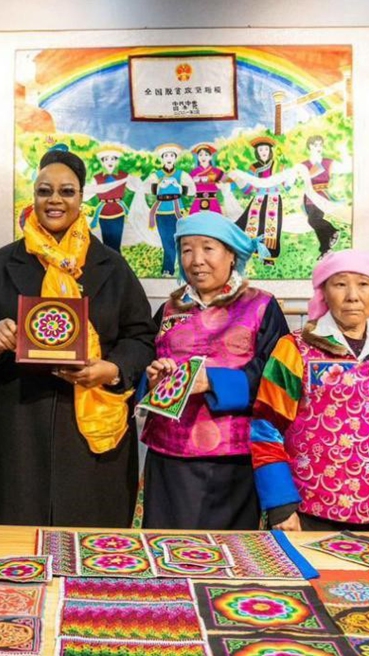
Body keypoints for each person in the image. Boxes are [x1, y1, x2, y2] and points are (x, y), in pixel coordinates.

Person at [0, 148, 155, 526]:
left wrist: (112, 369)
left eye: (66, 191)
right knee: (15, 543)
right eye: (44, 191)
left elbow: (141, 336)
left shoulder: (110, 266)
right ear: (32, 197)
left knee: (92, 543)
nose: (54, 200)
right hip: (18, 423)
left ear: (82, 197)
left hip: (92, 428)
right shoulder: (4, 263)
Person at [251, 250, 369, 532]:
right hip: (306, 514)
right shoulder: (294, 349)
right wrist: (281, 506)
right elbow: (265, 428)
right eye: (340, 284)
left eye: (364, 284)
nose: (353, 296)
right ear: (324, 293)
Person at [141, 212, 288, 529]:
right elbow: (146, 366)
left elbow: (277, 378)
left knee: (230, 559)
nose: (196, 260)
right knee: (167, 551)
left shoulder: (261, 306)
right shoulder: (168, 309)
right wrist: (153, 379)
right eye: (187, 249)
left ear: (231, 254)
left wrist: (213, 382)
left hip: (233, 457)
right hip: (169, 457)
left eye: (208, 248)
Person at [235, 136, 285, 263]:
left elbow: (286, 186)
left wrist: (292, 177)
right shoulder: (253, 168)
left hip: (273, 199)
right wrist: (239, 180)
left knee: (271, 228)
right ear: (257, 152)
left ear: (270, 151)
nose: (263, 152)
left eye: (266, 149)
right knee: (247, 224)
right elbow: (248, 190)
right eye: (261, 150)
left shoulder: (278, 166)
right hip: (258, 199)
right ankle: (249, 251)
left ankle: (268, 256)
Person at [148, 144, 194, 277]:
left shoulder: (181, 175)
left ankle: (184, 269)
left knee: (180, 240)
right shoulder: (156, 175)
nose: (169, 158)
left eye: (172, 155)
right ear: (162, 158)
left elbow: (191, 191)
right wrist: (159, 186)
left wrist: (178, 186)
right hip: (161, 211)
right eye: (166, 155)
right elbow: (149, 191)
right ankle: (168, 269)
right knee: (166, 240)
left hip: (177, 210)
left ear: (175, 158)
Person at [301, 135, 345, 255]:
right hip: (308, 197)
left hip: (321, 196)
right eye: (316, 145)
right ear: (310, 146)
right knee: (315, 222)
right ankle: (325, 249)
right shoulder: (304, 164)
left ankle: (332, 230)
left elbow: (345, 168)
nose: (319, 147)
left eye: (321, 144)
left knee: (313, 220)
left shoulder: (327, 162)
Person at [86, 145, 132, 253]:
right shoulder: (97, 178)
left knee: (116, 242)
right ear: (102, 162)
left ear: (116, 161)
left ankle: (118, 265)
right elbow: (89, 193)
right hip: (104, 212)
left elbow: (136, 187)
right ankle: (110, 265)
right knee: (106, 243)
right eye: (106, 159)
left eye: (112, 159)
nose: (109, 161)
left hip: (118, 211)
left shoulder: (124, 176)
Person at [188, 142, 225, 215]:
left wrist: (222, 187)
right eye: (200, 155)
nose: (203, 157)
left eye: (206, 155)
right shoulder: (193, 173)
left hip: (213, 202)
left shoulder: (217, 172)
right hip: (197, 202)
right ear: (198, 157)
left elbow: (227, 183)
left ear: (210, 157)